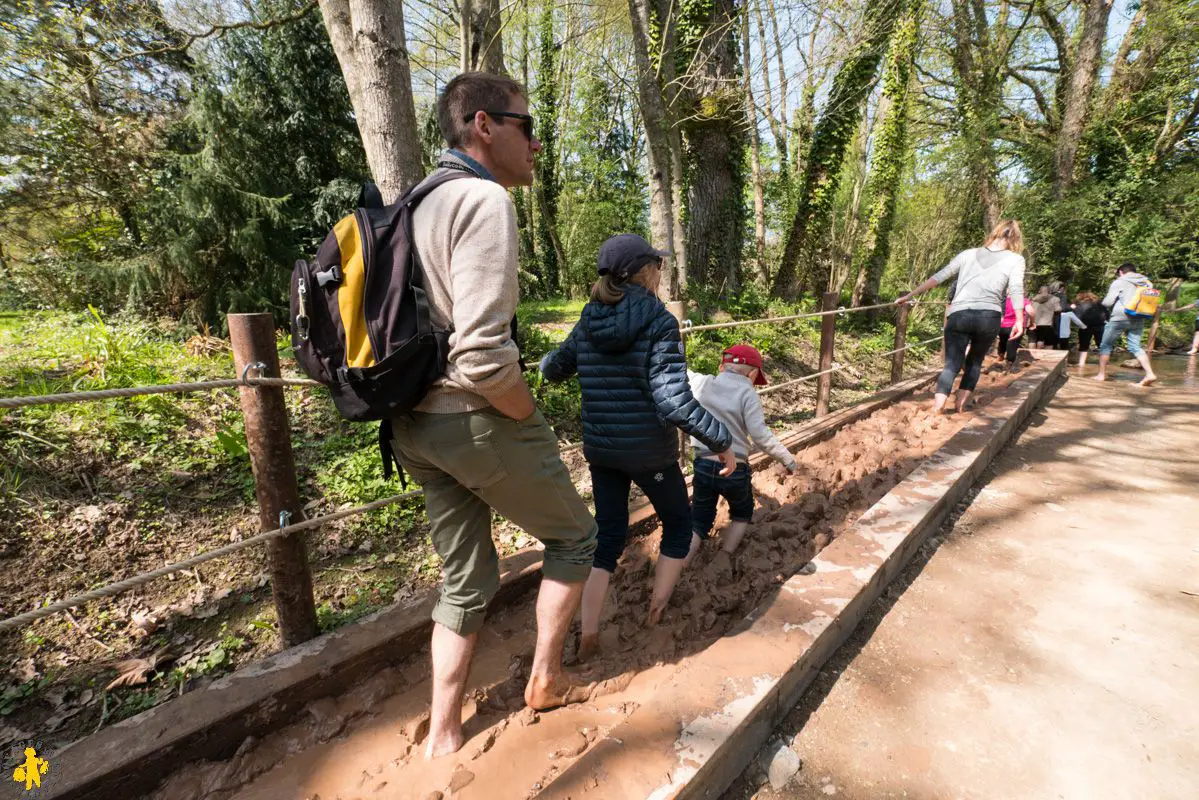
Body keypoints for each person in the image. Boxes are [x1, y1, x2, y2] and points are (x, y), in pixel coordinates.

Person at [387, 72, 599, 758]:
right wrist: (525, 409)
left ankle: (444, 732)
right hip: (472, 414)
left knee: (466, 577)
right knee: (573, 538)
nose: (537, 145)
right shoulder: (481, 200)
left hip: (409, 423)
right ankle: (546, 677)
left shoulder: (413, 202)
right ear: (485, 125)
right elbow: (481, 356)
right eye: (527, 127)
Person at [540, 233, 735, 663]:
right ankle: (655, 615)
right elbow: (673, 401)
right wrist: (721, 441)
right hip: (651, 453)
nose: (661, 274)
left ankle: (588, 635)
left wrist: (540, 364)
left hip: (603, 451)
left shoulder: (588, 319)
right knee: (678, 525)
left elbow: (556, 367)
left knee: (606, 537)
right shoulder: (660, 322)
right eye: (658, 266)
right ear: (646, 273)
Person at [896, 219, 1026, 413]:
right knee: (975, 361)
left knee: (952, 363)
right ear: (1015, 239)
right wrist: (1019, 318)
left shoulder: (968, 254)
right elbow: (1015, 288)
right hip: (989, 317)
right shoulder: (1015, 259)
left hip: (960, 314)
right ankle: (960, 406)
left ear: (994, 233)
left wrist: (910, 295)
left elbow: (941, 275)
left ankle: (938, 406)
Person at [686, 344, 799, 559]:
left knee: (699, 520)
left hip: (702, 464)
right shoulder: (748, 394)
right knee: (741, 513)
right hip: (734, 467)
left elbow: (684, 372)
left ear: (721, 366)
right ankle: (725, 555)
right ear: (753, 373)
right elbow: (761, 436)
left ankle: (683, 563)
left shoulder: (704, 383)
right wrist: (788, 460)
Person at [1095, 263, 1158, 385]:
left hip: (1120, 317)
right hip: (1139, 317)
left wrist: (1101, 303)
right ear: (1134, 272)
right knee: (1135, 346)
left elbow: (1108, 302)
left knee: (1106, 345)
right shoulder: (1147, 283)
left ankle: (1101, 375)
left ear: (1121, 272)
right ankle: (1150, 374)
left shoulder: (1119, 282)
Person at [1071, 291, 1108, 369]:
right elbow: (1106, 314)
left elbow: (1077, 317)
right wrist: (1106, 321)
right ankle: (1105, 363)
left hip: (1085, 326)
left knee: (1083, 345)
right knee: (1101, 345)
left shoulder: (1079, 305)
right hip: (1100, 325)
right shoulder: (1099, 304)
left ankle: (1081, 363)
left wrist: (1081, 325)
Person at [996, 295, 1034, 369]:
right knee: (1012, 345)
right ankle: (1009, 363)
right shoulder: (1022, 300)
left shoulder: (1002, 300)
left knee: (1003, 341)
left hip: (1002, 326)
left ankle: (1001, 355)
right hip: (1016, 327)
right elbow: (1031, 311)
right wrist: (1032, 322)